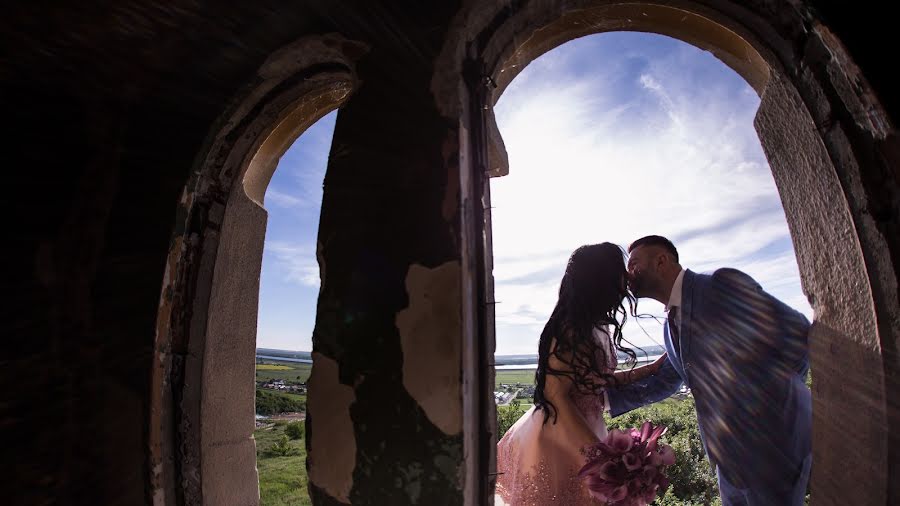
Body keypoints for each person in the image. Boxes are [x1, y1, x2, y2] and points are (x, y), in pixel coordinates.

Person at [607, 235, 812, 505]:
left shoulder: (718, 286)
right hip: (728, 459)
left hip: (771, 449)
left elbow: (795, 333)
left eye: (634, 265)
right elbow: (668, 381)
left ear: (661, 261)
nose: (628, 274)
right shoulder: (670, 325)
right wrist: (600, 398)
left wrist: (774, 405)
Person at [495, 243, 667, 505]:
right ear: (601, 279)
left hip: (586, 428)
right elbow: (557, 397)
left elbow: (595, 383)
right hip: (561, 435)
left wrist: (650, 370)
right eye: (620, 271)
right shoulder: (570, 329)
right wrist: (601, 456)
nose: (627, 277)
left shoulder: (595, 326)